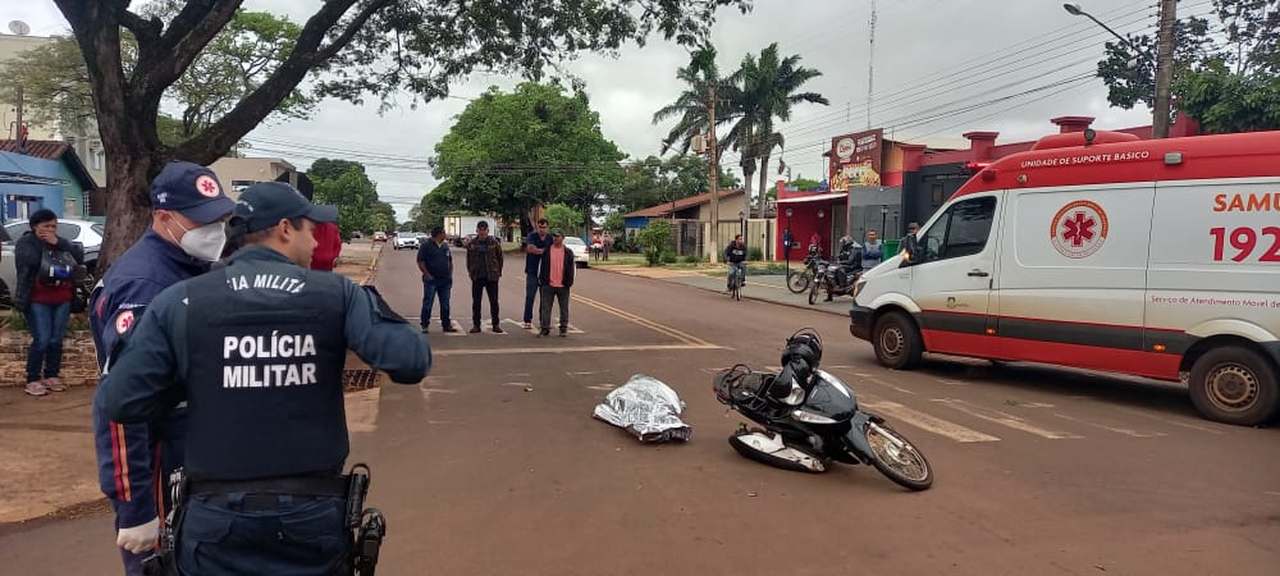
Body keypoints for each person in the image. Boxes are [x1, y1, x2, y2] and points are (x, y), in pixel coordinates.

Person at [98, 181, 429, 575]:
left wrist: (196, 380)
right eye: (310, 230)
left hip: (214, 523)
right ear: (286, 229)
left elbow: (120, 400)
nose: (315, 242)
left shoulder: (181, 300)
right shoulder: (334, 294)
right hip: (310, 520)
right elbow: (410, 361)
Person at [88, 161, 235, 575]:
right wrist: (136, 507)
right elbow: (119, 407)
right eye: (202, 220)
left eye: (219, 218)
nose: (215, 230)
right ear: (164, 217)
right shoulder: (146, 288)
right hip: (157, 463)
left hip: (191, 455)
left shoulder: (189, 267)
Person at [13, 208, 84, 397]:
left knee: (56, 339)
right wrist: (46, 244)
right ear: (35, 226)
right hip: (38, 299)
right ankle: (33, 379)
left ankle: (51, 375)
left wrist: (58, 242)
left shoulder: (59, 243)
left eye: (54, 226)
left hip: (62, 298)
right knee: (42, 339)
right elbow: (30, 262)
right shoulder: (26, 243)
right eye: (46, 226)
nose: (50, 230)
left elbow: (79, 256)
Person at [467, 220, 504, 333]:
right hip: (477, 276)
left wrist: (498, 272)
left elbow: (500, 258)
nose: (482, 232)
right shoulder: (472, 244)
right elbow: (469, 260)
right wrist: (471, 272)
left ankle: (496, 324)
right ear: (477, 230)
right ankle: (476, 325)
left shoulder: (494, 243)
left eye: (484, 230)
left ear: (488, 230)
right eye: (480, 230)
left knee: (494, 302)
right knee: (476, 302)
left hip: (491, 276)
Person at [417, 226, 456, 333]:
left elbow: (450, 260)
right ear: (439, 234)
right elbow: (420, 262)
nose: (445, 234)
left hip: (445, 280)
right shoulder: (426, 246)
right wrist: (427, 274)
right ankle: (425, 325)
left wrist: (450, 274)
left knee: (445, 304)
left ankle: (446, 325)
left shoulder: (445, 246)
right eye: (444, 233)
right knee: (428, 303)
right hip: (431, 280)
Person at [537, 231, 576, 337]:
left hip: (563, 285)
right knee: (545, 307)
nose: (555, 238)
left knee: (564, 308)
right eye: (554, 236)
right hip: (548, 284)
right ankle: (545, 328)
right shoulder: (547, 251)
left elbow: (572, 268)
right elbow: (541, 266)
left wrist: (569, 282)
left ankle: (563, 328)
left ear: (562, 238)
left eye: (558, 236)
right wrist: (541, 280)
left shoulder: (568, 252)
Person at [522, 219, 552, 329]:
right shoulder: (532, 236)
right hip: (532, 271)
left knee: (545, 298)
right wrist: (544, 251)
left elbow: (552, 251)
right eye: (540, 227)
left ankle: (543, 320)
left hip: (545, 272)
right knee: (530, 296)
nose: (542, 229)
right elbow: (530, 248)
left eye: (544, 227)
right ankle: (527, 320)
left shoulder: (550, 238)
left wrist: (538, 250)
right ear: (537, 227)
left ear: (547, 228)